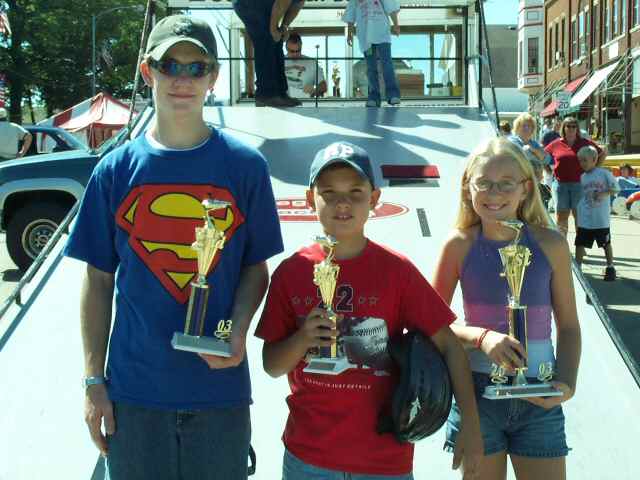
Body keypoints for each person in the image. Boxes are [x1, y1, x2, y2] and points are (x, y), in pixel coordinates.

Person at [64, 15, 284, 480]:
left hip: (219, 394)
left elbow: (255, 269)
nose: (183, 80)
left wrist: (237, 330)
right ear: (148, 71)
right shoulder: (114, 171)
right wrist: (93, 381)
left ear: (213, 76)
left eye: (196, 67)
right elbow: (98, 281)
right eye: (170, 66)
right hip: (134, 395)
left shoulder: (246, 167)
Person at [256, 141, 483, 479]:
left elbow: (449, 345)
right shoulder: (291, 272)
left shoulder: (397, 271)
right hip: (310, 457)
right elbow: (272, 365)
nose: (342, 203)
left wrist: (471, 425)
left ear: (374, 199)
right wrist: (303, 339)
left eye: (355, 192)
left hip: (383, 459)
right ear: (309, 199)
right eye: (329, 192)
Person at [433, 137, 581, 480]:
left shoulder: (552, 244)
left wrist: (567, 383)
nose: (494, 193)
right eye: (483, 183)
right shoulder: (458, 245)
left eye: (506, 183)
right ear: (468, 186)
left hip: (540, 394)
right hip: (476, 397)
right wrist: (482, 337)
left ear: (526, 188)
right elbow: (432, 323)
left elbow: (569, 327)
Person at [233, 0, 304, 107]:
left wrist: (284, 27)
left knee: (277, 39)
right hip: (248, 3)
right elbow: (281, 3)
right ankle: (266, 94)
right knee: (267, 38)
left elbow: (297, 4)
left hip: (264, 5)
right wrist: (273, 30)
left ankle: (280, 93)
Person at [544, 116, 605, 237]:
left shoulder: (584, 143)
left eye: (574, 126)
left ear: (577, 129)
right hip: (560, 186)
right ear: (564, 128)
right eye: (568, 126)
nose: (571, 129)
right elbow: (542, 156)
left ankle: (580, 244)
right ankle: (562, 244)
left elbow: (602, 153)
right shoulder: (556, 144)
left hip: (580, 185)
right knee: (561, 217)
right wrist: (548, 170)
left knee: (579, 217)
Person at [344, 0, 402, 107]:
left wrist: (396, 24)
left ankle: (392, 94)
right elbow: (350, 14)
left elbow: (390, 6)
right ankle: (374, 96)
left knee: (387, 64)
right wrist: (349, 33)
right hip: (366, 36)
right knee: (371, 67)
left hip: (381, 33)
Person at [575, 145, 620, 281]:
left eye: (585, 160)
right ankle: (578, 269)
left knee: (605, 243)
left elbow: (616, 188)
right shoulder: (582, 177)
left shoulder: (604, 173)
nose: (582, 163)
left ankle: (610, 267)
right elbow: (581, 196)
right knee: (580, 243)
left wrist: (604, 193)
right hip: (585, 219)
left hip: (601, 219)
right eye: (580, 161)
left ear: (594, 159)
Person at [284, 32, 328, 98]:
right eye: (292, 51)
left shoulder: (311, 62)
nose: (295, 54)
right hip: (284, 102)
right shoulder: (279, 62)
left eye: (298, 51)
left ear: (301, 46)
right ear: (286, 48)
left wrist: (314, 91)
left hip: (305, 102)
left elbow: (323, 86)